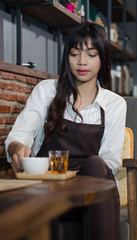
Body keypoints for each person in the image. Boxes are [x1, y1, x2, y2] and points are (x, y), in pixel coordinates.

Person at [5, 22, 126, 240]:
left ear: (103, 59)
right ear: (66, 56)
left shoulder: (115, 104)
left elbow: (111, 162)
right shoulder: (46, 90)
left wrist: (77, 180)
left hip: (91, 196)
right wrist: (17, 148)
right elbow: (20, 134)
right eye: (74, 53)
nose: (82, 61)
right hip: (46, 192)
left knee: (97, 163)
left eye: (91, 54)